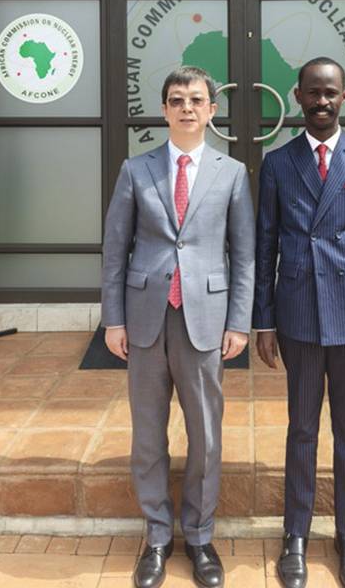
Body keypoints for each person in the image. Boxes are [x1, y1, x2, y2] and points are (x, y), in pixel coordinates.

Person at [101, 65, 255, 588]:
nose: (186, 107)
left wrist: (240, 321)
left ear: (212, 110)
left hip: (206, 320)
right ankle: (159, 536)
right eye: (176, 100)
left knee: (205, 435)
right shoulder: (134, 169)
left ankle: (201, 536)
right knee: (148, 435)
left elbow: (245, 255)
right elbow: (114, 251)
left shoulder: (232, 173)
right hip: (145, 319)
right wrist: (113, 319)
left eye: (196, 99)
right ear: (164, 110)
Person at [252, 57, 345, 588]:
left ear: (344, 98)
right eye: (312, 92)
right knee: (301, 428)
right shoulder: (277, 163)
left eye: (330, 93)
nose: (321, 101)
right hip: (296, 315)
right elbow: (265, 244)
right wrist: (262, 321)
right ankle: (295, 533)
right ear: (297, 97)